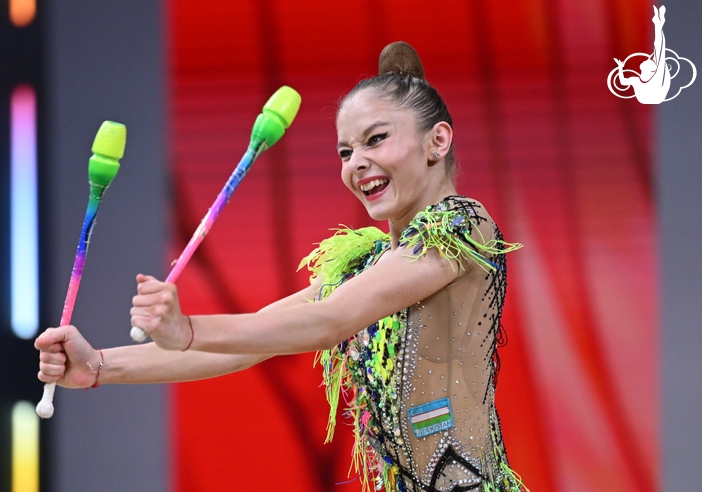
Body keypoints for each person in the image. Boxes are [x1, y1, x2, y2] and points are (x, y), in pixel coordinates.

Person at [36, 41, 527, 492]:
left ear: (437, 142)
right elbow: (248, 342)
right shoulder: (366, 264)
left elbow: (330, 321)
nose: (356, 162)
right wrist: (99, 365)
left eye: (375, 140)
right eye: (345, 151)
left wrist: (184, 327)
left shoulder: (463, 228)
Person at [614, 5, 670, 104]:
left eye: (648, 61)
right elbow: (623, 82)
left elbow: (659, 48)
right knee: (659, 52)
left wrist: (658, 25)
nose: (647, 59)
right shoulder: (637, 80)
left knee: (659, 51)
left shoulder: (656, 77)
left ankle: (657, 23)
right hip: (649, 97)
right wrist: (620, 67)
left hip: (654, 96)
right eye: (648, 60)